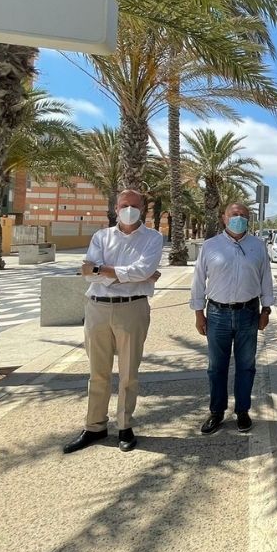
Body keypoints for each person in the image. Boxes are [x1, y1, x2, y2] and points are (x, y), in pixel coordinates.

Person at [63, 190, 164, 454]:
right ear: (116, 208)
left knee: (129, 373)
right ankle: (94, 426)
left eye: (134, 205)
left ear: (143, 208)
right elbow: (88, 274)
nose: (129, 209)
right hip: (97, 308)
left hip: (132, 308)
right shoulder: (101, 236)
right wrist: (129, 275)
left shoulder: (153, 238)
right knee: (98, 372)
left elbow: (143, 269)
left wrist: (105, 271)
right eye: (124, 205)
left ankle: (124, 426)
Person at [191, 203, 275, 434]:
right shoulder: (210, 246)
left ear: (249, 219)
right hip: (217, 314)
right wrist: (199, 313)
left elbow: (266, 278)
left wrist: (266, 310)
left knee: (246, 366)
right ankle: (216, 412)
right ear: (224, 218)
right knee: (216, 367)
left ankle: (243, 411)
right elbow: (198, 280)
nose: (239, 218)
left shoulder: (258, 246)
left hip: (249, 312)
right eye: (234, 214)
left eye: (243, 215)